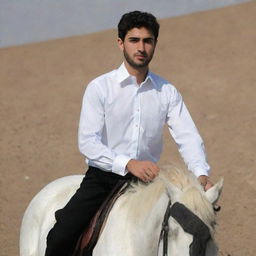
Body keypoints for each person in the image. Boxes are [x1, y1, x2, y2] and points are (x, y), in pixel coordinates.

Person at [45, 10, 213, 256]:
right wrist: (129, 163)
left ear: (155, 44)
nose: (141, 47)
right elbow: (88, 142)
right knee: (60, 237)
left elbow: (187, 136)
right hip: (102, 178)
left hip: (150, 182)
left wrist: (200, 173)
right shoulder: (100, 88)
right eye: (134, 40)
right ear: (121, 43)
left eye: (148, 40)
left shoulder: (167, 91)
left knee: (196, 230)